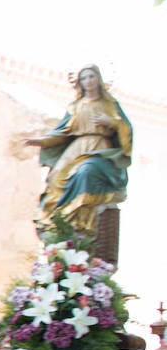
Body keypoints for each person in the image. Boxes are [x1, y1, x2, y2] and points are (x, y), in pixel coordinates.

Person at [26, 64, 133, 236]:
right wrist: (40, 141)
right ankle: (56, 226)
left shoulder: (110, 104)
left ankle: (82, 224)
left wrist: (111, 122)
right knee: (56, 178)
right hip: (77, 148)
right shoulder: (75, 106)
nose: (88, 81)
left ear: (98, 79)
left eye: (91, 76)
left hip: (100, 149)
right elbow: (62, 133)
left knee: (86, 171)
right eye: (84, 78)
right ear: (80, 83)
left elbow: (126, 127)